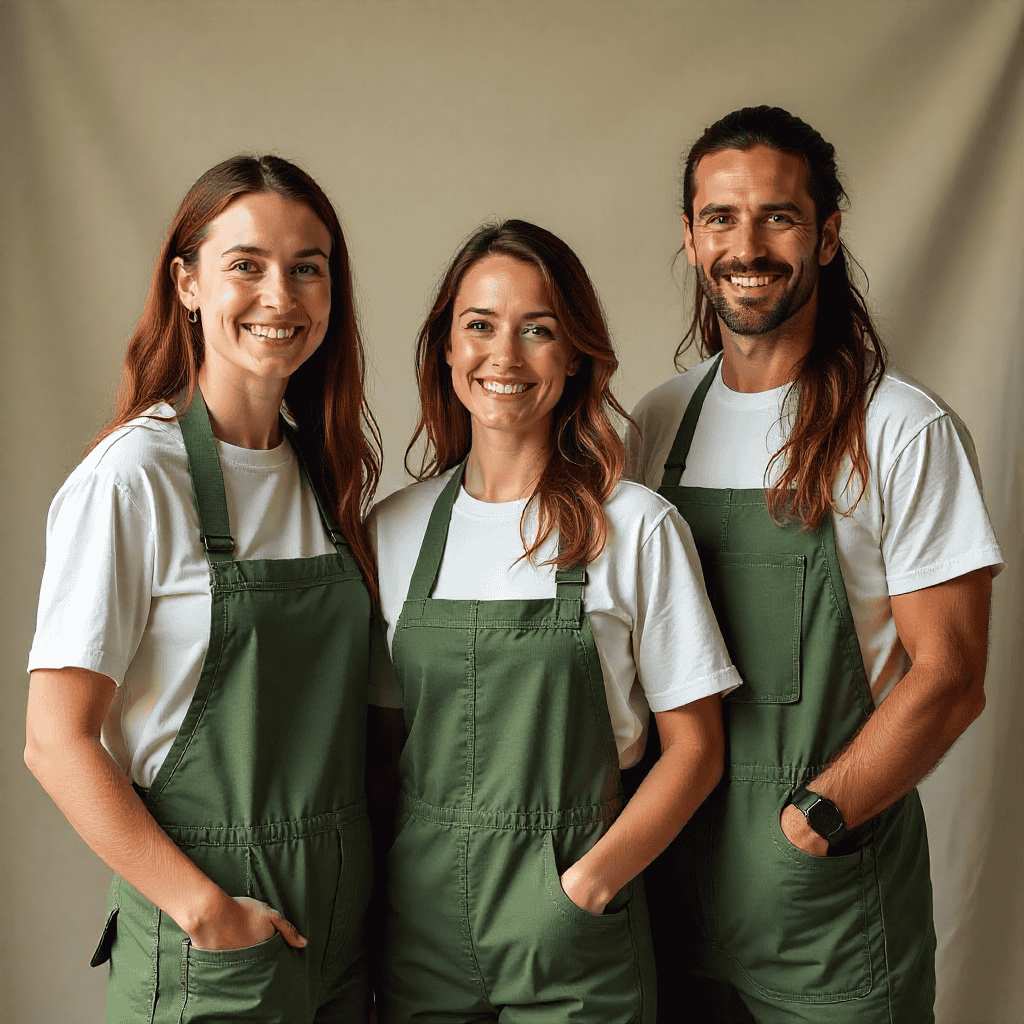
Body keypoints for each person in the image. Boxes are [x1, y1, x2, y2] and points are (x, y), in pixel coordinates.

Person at [627, 106, 1005, 1023]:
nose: (746, 245)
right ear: (689, 238)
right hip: (667, 877)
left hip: (824, 902)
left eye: (779, 216)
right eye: (720, 217)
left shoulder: (901, 428)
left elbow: (950, 676)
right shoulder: (657, 421)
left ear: (827, 235)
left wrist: (813, 825)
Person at [24, 155, 381, 1022]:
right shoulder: (132, 477)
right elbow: (53, 741)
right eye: (246, 265)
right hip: (213, 929)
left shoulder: (323, 475)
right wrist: (205, 911)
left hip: (342, 923)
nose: (281, 296)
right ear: (186, 283)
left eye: (308, 268)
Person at [367, 220, 740, 1023]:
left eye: (538, 330)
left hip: (571, 921)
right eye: (480, 326)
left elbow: (698, 750)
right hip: (419, 926)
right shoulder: (392, 531)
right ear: (445, 348)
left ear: (574, 355)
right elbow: (383, 749)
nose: (504, 356)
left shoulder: (636, 526)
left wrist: (587, 888)